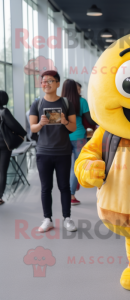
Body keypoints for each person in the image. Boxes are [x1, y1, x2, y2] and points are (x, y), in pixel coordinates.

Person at [29, 70, 78, 232]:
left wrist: (64, 121)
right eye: (43, 81)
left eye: (50, 81)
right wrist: (41, 124)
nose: (46, 84)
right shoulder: (37, 103)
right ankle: (47, 219)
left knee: (64, 186)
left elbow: (73, 127)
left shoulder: (66, 103)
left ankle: (67, 218)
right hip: (43, 152)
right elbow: (33, 128)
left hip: (63, 152)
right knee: (45, 187)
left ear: (57, 83)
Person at [61, 79, 96, 205]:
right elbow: (91, 121)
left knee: (64, 167)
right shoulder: (81, 101)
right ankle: (71, 195)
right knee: (76, 166)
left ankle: (66, 192)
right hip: (79, 137)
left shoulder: (60, 102)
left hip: (63, 137)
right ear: (75, 89)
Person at [0, 91, 27, 205]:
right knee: (2, 172)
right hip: (4, 147)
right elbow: (17, 127)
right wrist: (21, 134)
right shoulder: (4, 112)